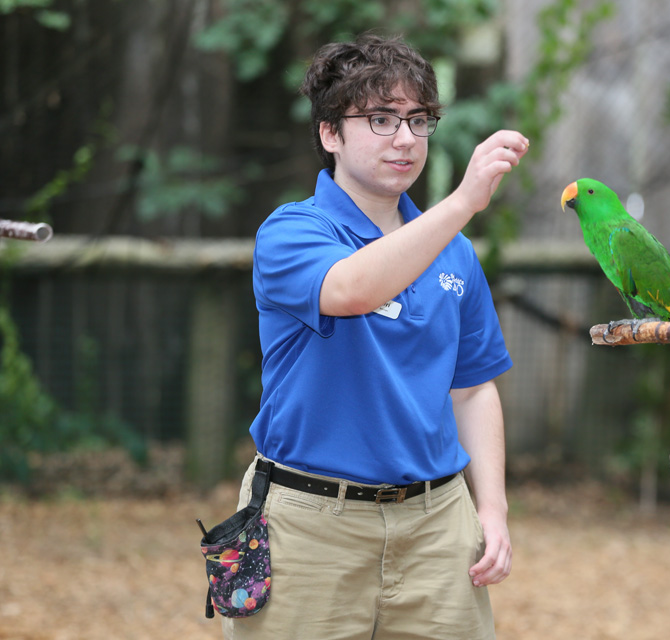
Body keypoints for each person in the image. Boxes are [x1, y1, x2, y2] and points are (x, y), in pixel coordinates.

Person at [223, 33, 529, 640]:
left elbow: (472, 389)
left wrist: (490, 510)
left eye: (419, 120)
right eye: (381, 119)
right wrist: (464, 202)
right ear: (329, 133)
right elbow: (352, 290)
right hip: (309, 526)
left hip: (439, 525)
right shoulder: (290, 233)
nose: (406, 138)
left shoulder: (456, 254)